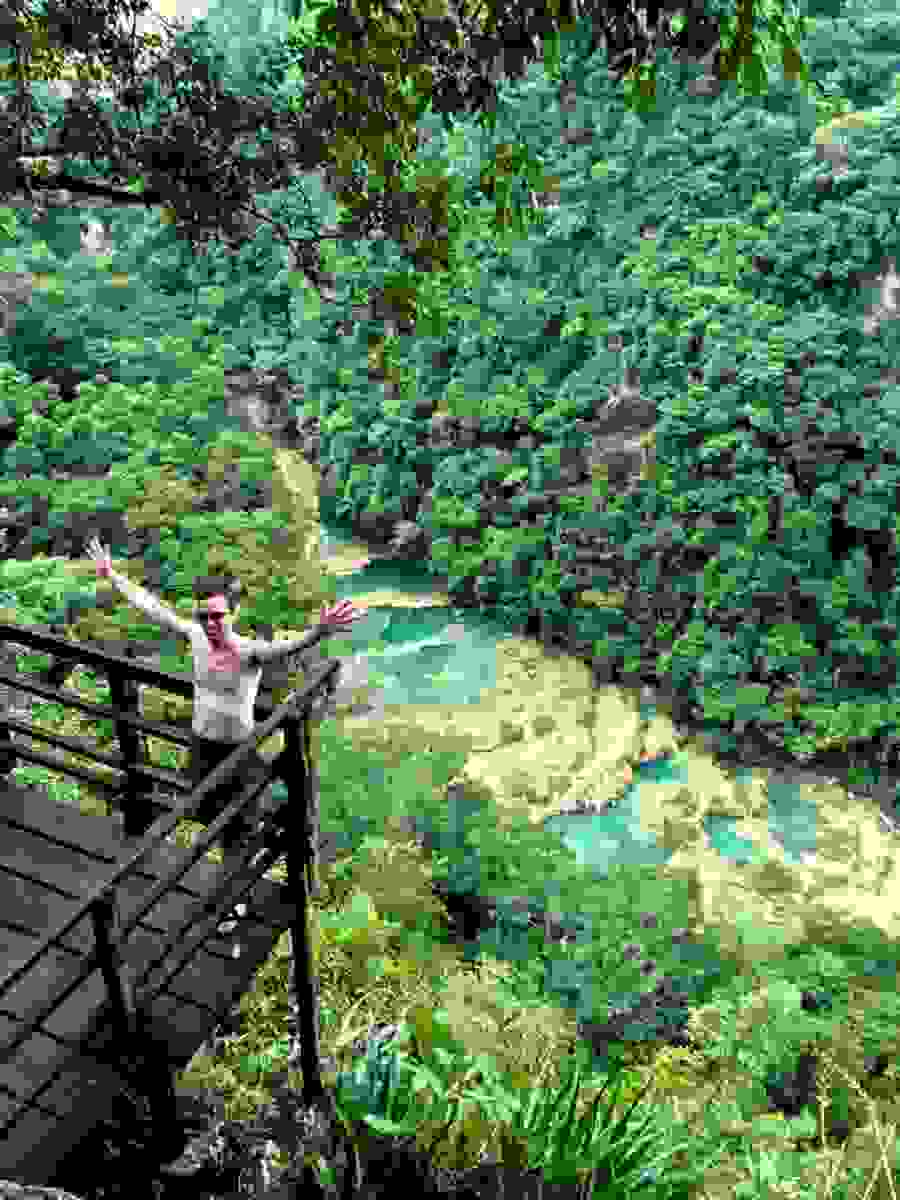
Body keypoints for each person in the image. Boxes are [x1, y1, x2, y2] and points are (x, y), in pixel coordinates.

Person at [84, 536, 364, 867]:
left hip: (238, 752)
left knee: (239, 827)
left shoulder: (250, 652)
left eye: (217, 616)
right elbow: (152, 607)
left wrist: (319, 631)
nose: (211, 623)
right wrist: (112, 576)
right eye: (204, 616)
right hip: (202, 747)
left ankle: (231, 896)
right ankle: (213, 877)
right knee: (203, 815)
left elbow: (290, 647)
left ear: (232, 613)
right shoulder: (196, 637)